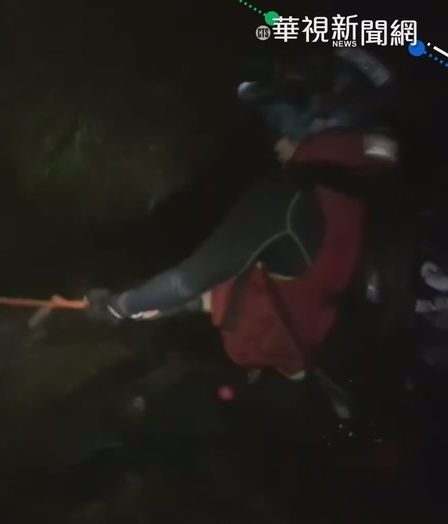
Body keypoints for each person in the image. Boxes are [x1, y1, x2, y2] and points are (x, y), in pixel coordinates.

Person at [85, 49, 399, 384]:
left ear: (315, 123)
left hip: (294, 381)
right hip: (354, 375)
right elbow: (304, 278)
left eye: (280, 121)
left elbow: (188, 279)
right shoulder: (368, 191)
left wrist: (118, 306)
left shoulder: (289, 197)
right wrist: (184, 304)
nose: (275, 139)